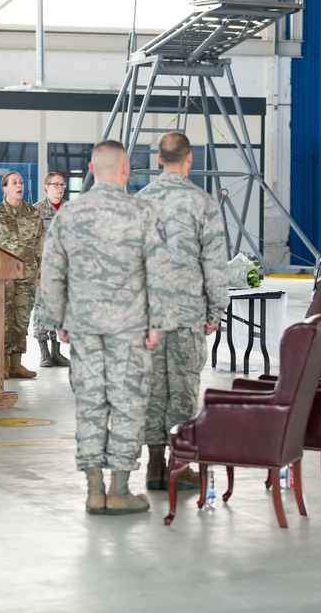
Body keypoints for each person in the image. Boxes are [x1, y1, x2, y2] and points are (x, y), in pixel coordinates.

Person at [39, 140, 171, 516]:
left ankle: (94, 491)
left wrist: (58, 321)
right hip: (130, 329)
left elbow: (52, 274)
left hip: (83, 327)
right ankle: (120, 490)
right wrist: (156, 323)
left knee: (90, 405)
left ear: (91, 170)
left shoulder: (68, 215)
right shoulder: (143, 214)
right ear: (126, 170)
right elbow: (159, 274)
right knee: (128, 406)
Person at [135, 132, 228, 491]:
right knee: (185, 387)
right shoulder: (202, 204)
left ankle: (154, 465)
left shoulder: (141, 202)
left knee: (152, 389)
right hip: (188, 313)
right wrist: (215, 308)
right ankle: (180, 464)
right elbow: (214, 263)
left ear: (159, 159)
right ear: (189, 158)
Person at [0, 171, 45, 379]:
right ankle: (1, 364)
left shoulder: (33, 213)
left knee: (21, 320)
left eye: (21, 182)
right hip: (1, 277)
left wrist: (38, 272)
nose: (19, 185)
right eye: (14, 182)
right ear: (5, 188)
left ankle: (16, 363)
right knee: (2, 320)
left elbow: (41, 244)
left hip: (26, 276)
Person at [31, 172, 70, 368]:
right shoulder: (36, 211)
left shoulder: (70, 209)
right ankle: (44, 353)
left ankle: (57, 352)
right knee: (41, 311)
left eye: (62, 184)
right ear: (46, 186)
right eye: (55, 184)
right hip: (43, 270)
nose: (60, 187)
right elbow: (31, 243)